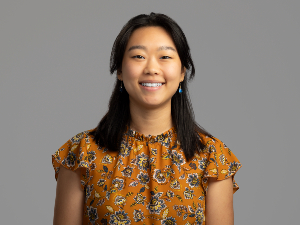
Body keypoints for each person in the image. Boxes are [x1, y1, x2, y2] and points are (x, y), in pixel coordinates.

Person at [52, 12, 242, 225]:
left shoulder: (212, 158)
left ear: (182, 72)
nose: (151, 69)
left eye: (165, 57)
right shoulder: (82, 153)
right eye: (138, 56)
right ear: (120, 71)